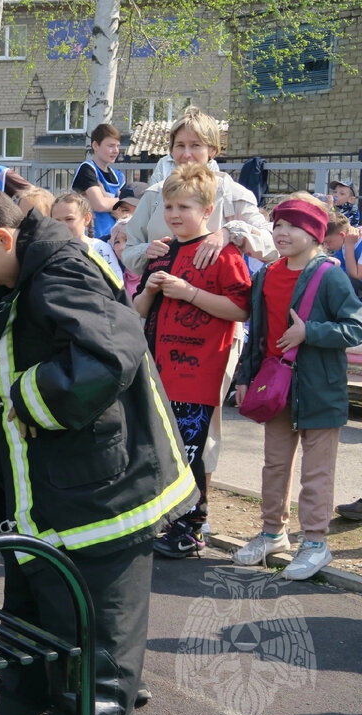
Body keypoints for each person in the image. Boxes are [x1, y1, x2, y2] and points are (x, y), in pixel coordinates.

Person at [0, 183, 195, 715]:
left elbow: (111, 353)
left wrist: (21, 401)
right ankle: (23, 707)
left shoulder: (60, 270)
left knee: (100, 618)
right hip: (53, 482)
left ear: (4, 238)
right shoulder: (28, 267)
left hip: (103, 485)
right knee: (33, 595)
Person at [123, 106, 277, 534]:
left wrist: (229, 231)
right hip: (162, 325)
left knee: (200, 425)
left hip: (212, 334)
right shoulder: (159, 193)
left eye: (196, 145)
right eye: (179, 145)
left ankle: (195, 512)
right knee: (162, 418)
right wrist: (148, 254)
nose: (188, 153)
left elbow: (267, 244)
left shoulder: (231, 191)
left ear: (214, 149)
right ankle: (166, 506)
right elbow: (129, 247)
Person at [232, 197, 362, 580]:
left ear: (316, 235)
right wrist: (244, 377)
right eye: (278, 225)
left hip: (320, 389)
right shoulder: (267, 274)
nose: (282, 233)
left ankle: (316, 543)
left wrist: (311, 332)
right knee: (274, 465)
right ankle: (273, 533)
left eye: (293, 226)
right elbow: (258, 332)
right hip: (275, 388)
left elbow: (354, 327)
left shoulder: (330, 275)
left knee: (316, 472)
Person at [131, 164, 251, 558]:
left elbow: (240, 308)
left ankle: (192, 527)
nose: (174, 214)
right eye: (168, 206)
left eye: (184, 205)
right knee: (162, 450)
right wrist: (149, 290)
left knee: (189, 452)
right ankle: (165, 520)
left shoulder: (221, 253)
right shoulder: (161, 251)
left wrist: (189, 293)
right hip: (158, 371)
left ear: (207, 209)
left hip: (197, 373)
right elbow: (137, 312)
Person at [50, 191, 123, 281]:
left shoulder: (100, 249)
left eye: (69, 219)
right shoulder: (49, 251)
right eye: (57, 220)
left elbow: (117, 283)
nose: (63, 225)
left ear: (87, 218)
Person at [70, 123, 124, 239]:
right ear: (95, 145)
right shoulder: (87, 169)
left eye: (118, 146)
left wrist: (107, 199)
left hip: (114, 240)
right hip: (91, 238)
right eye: (110, 146)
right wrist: (120, 201)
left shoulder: (119, 176)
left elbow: (127, 210)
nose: (115, 151)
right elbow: (99, 205)